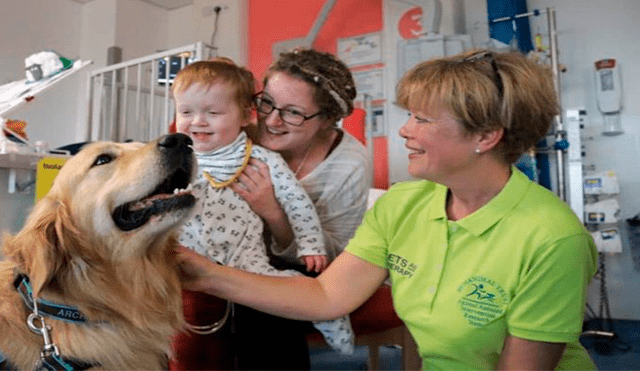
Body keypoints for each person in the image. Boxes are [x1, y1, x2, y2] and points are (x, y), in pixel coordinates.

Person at [175, 48, 599, 370]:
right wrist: (206, 273)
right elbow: (326, 295)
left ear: (485, 136)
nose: (404, 130)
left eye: (423, 120)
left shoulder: (552, 239)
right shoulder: (403, 205)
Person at [169, 58, 353, 370]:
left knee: (289, 287)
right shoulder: (178, 156)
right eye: (186, 112)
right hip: (187, 258)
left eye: (212, 113)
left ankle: (331, 317)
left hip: (247, 261)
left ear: (245, 116)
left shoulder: (261, 159)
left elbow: (297, 202)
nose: (197, 121)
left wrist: (310, 244)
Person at [220, 49, 374, 370]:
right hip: (235, 253)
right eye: (267, 102)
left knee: (264, 300)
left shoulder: (347, 164)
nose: (272, 120)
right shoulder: (239, 136)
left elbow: (329, 260)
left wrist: (273, 212)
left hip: (309, 267)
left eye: (293, 113)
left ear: (327, 119)